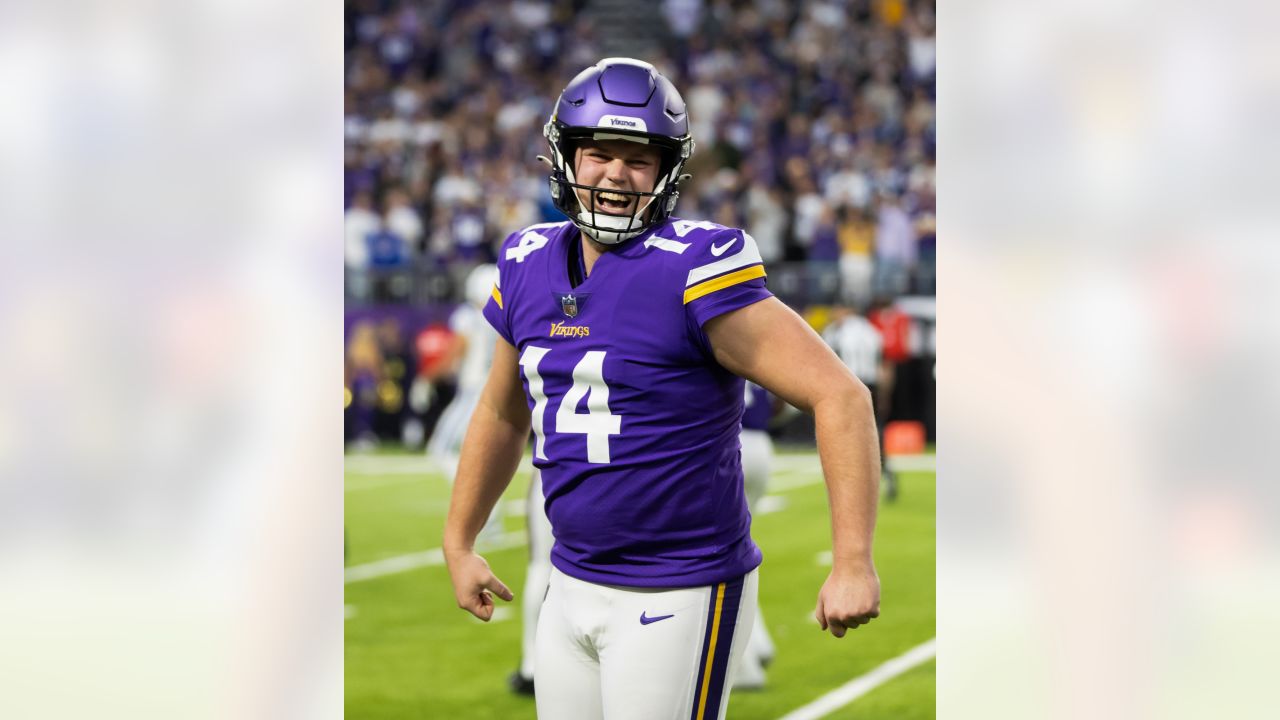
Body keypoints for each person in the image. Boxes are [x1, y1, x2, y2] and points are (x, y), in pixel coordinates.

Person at [443, 58, 881, 720]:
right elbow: (504, 412)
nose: (616, 173)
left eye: (638, 158)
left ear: (667, 172)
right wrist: (460, 538)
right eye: (599, 154)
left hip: (680, 588)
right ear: (565, 158)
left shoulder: (694, 270)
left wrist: (853, 560)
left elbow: (841, 396)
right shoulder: (527, 262)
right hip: (571, 579)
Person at [823, 303, 899, 501]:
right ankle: (886, 474)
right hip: (870, 384)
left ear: (844, 310)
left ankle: (855, 484)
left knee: (847, 435)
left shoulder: (837, 332)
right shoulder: (870, 330)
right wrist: (884, 393)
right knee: (874, 432)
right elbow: (884, 364)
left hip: (849, 384)